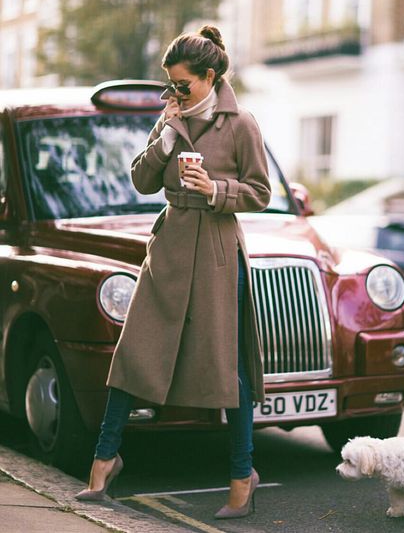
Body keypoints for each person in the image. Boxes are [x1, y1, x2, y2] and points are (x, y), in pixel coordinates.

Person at [75, 25, 271, 519]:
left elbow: (261, 193)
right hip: (168, 248)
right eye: (169, 86)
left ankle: (241, 477)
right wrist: (164, 137)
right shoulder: (171, 118)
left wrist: (215, 189)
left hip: (217, 254)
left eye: (182, 86)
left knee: (229, 371)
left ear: (209, 77)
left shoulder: (240, 122)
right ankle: (102, 465)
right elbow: (142, 180)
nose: (175, 94)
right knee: (134, 354)